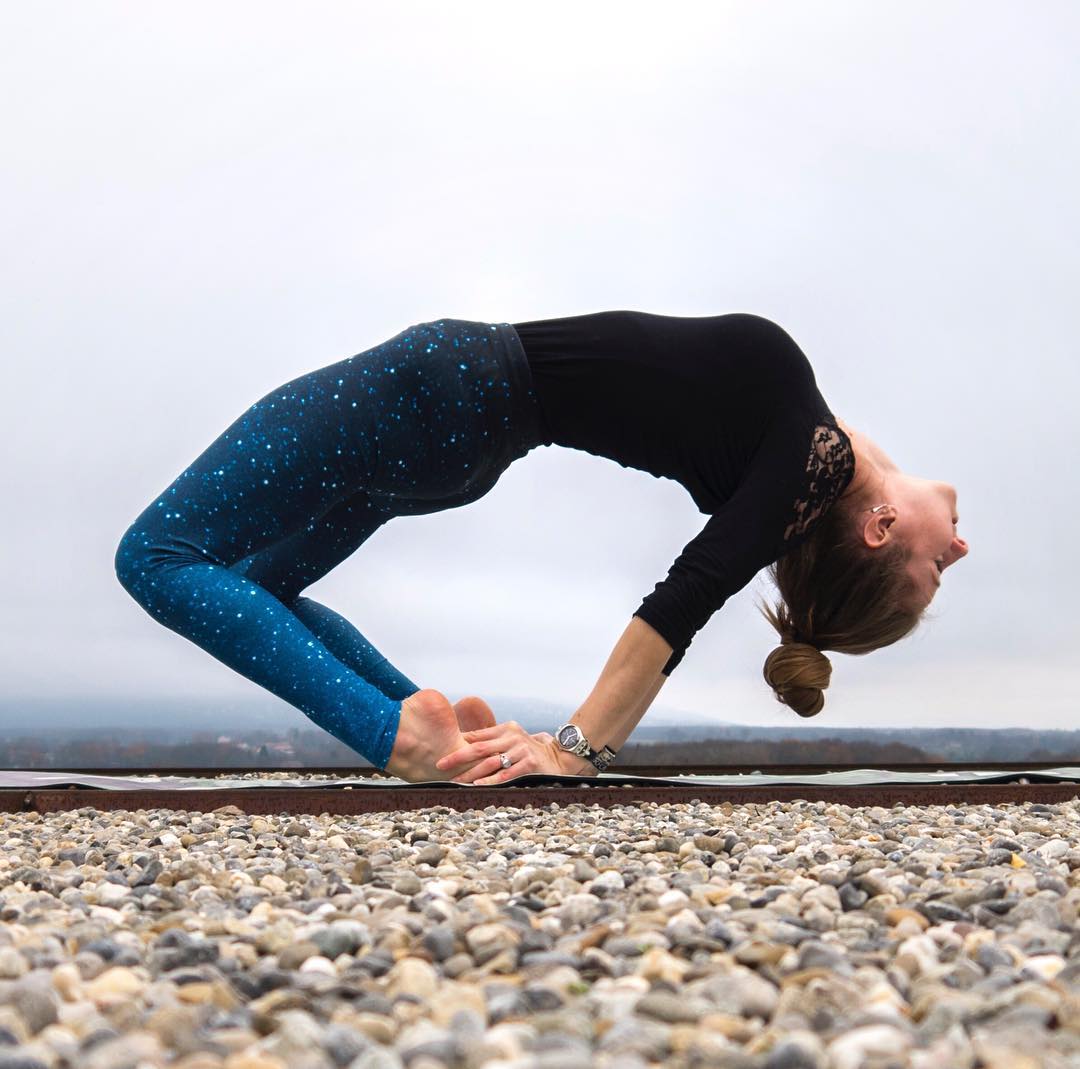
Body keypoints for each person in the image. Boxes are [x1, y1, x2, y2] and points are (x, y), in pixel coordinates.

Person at [114, 311, 968, 784]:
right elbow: (863, 481)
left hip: (444, 391)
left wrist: (573, 751)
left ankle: (399, 735)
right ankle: (439, 727)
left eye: (934, 569)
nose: (959, 550)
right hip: (460, 435)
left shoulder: (812, 461)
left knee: (155, 555)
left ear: (881, 529)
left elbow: (687, 595)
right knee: (259, 589)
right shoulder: (810, 472)